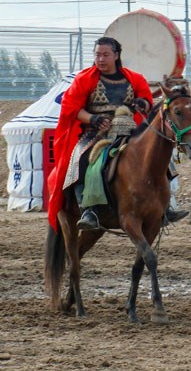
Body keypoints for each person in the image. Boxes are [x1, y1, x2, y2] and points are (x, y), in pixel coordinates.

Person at [46, 37, 154, 232]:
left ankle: (166, 204)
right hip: (95, 134)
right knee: (81, 160)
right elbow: (70, 106)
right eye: (97, 55)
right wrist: (92, 119)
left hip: (128, 131)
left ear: (116, 55)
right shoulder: (85, 79)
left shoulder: (134, 78)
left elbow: (147, 99)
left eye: (105, 55)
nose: (101, 59)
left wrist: (141, 103)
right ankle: (88, 210)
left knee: (156, 157)